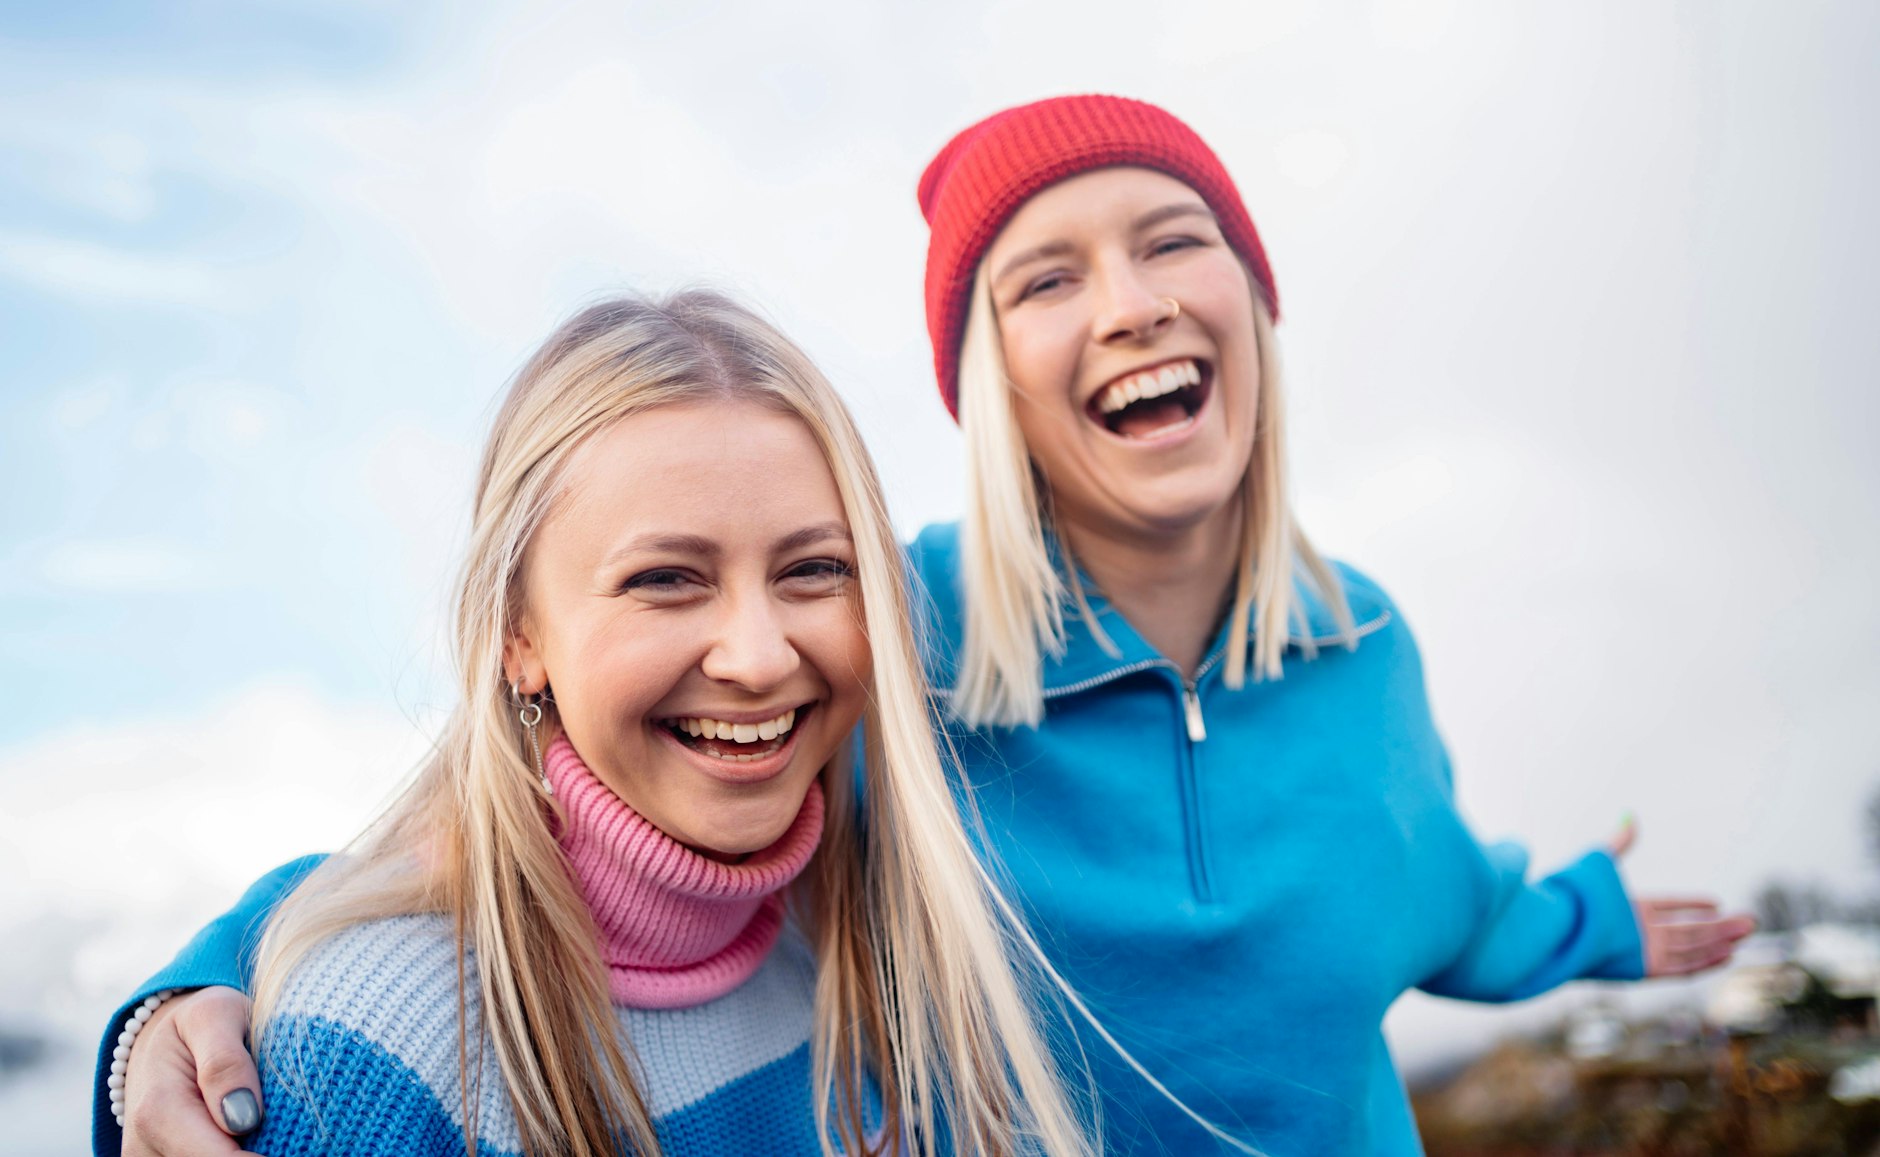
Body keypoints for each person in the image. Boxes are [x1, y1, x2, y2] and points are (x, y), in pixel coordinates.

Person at [98, 97, 1754, 1156]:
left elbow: (1437, 887)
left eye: (1178, 242)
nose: (1130, 300)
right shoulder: (874, 626)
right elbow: (516, 807)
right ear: (984, 384)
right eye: (1044, 278)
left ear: (1255, 309)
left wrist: (1595, 920)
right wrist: (203, 985)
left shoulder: (1364, 641)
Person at [100, 290, 1097, 1157]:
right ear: (516, 636)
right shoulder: (376, 1058)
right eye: (664, 579)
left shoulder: (824, 964)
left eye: (813, 569)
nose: (755, 655)